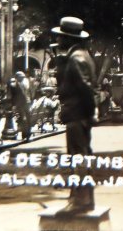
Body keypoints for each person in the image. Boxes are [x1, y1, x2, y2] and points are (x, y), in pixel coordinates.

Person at [53, 16, 98, 213]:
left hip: (77, 114)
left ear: (69, 38)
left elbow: (85, 88)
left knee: (77, 157)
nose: (59, 40)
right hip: (81, 114)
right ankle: (85, 199)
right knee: (82, 156)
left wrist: (89, 113)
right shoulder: (82, 55)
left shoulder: (76, 58)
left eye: (61, 36)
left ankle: (79, 200)